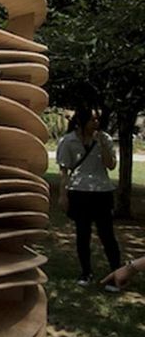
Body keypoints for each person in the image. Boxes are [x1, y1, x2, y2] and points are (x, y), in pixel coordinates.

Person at [57, 105, 119, 285]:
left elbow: (111, 165)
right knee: (83, 234)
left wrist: (101, 144)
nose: (96, 122)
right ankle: (86, 272)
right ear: (81, 120)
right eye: (92, 119)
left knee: (107, 235)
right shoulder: (68, 141)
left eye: (98, 119)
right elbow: (65, 172)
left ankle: (116, 273)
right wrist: (63, 195)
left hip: (102, 191)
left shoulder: (105, 138)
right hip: (79, 191)